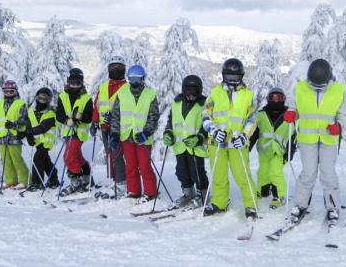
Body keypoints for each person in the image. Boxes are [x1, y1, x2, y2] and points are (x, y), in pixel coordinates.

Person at [284, 59, 346, 225]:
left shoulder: (338, 90)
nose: (317, 86)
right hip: (307, 138)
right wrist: (291, 114)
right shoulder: (301, 87)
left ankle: (332, 207)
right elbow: (293, 107)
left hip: (328, 139)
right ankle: (300, 205)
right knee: (308, 173)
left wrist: (338, 126)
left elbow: (343, 115)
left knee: (328, 173)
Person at [202, 58, 258, 219]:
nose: (232, 81)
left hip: (236, 142)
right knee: (218, 175)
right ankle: (219, 203)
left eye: (235, 77)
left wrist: (244, 136)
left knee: (242, 175)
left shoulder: (248, 95)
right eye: (229, 77)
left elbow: (253, 119)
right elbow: (205, 114)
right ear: (223, 76)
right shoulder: (215, 93)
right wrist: (213, 130)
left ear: (241, 76)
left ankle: (251, 205)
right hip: (217, 141)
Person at [110, 65, 159, 201]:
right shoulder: (122, 93)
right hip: (126, 136)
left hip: (143, 137)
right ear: (128, 79)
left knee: (144, 166)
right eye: (132, 79)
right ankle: (133, 191)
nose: (135, 82)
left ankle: (150, 193)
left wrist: (147, 132)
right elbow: (115, 116)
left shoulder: (150, 94)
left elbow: (153, 116)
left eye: (138, 79)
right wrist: (114, 135)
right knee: (130, 166)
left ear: (143, 79)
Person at [163, 75, 209, 207]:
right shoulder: (177, 103)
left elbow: (208, 124)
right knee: (181, 171)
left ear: (199, 90)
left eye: (194, 90)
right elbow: (171, 121)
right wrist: (168, 133)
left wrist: (199, 137)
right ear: (183, 90)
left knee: (197, 172)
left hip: (196, 146)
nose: (191, 94)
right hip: (179, 145)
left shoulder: (204, 105)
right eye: (188, 90)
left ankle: (203, 195)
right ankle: (189, 194)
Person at [249, 87, 296, 209]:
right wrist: (249, 145)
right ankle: (263, 191)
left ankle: (279, 195)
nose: (276, 101)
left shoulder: (289, 116)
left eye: (279, 98)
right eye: (273, 98)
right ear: (268, 99)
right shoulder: (261, 114)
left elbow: (294, 135)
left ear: (284, 99)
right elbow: (255, 132)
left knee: (275, 172)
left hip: (279, 150)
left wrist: (290, 151)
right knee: (263, 171)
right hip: (264, 150)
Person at [90, 56, 128, 197]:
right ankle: (113, 182)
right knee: (110, 155)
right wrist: (94, 122)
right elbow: (97, 104)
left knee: (117, 156)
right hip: (104, 127)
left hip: (119, 128)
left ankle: (121, 185)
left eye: (119, 67)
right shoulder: (104, 86)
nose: (116, 70)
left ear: (124, 70)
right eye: (113, 68)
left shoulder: (127, 88)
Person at [56, 68, 94, 196]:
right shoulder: (63, 96)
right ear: (68, 82)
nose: (75, 86)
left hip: (79, 133)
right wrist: (67, 121)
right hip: (68, 131)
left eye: (78, 83)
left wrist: (80, 117)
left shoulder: (86, 98)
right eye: (72, 82)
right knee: (76, 156)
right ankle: (86, 175)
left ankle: (76, 182)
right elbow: (59, 114)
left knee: (68, 157)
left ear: (82, 83)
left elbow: (89, 117)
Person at [0, 80, 29, 190]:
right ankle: (10, 180)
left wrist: (14, 124)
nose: (8, 94)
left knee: (16, 159)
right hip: (2, 135)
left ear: (15, 91)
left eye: (11, 91)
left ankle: (24, 180)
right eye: (6, 91)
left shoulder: (20, 103)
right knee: (5, 160)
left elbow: (25, 119)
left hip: (14, 135)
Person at [23, 87, 59, 191]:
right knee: (46, 161)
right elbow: (28, 125)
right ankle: (54, 180)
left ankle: (37, 183)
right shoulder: (32, 112)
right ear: (36, 98)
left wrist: (29, 132)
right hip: (39, 142)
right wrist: (29, 136)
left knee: (38, 158)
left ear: (49, 100)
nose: (42, 101)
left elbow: (42, 128)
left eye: (45, 99)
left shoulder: (50, 114)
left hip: (46, 142)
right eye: (40, 98)